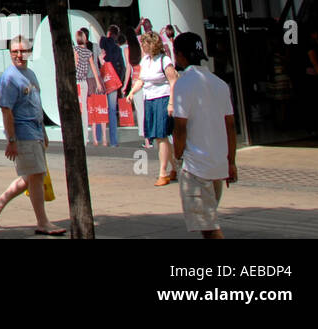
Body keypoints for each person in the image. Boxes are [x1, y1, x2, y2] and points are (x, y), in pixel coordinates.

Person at [0, 35, 66, 235]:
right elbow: (6, 110)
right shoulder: (10, 77)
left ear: (28, 52)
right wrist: (11, 140)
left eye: (22, 51)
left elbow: (35, 104)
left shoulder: (30, 74)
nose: (19, 55)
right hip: (23, 133)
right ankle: (42, 222)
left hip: (36, 131)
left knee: (31, 176)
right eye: (14, 51)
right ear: (9, 53)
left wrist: (44, 131)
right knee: (36, 176)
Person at [170, 32, 236, 239]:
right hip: (218, 164)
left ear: (180, 55)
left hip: (196, 166)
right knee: (208, 223)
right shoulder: (219, 84)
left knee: (208, 227)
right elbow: (231, 126)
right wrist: (231, 162)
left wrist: (178, 155)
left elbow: (180, 127)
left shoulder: (183, 83)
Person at [127, 31, 177, 185]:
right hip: (149, 100)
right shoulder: (145, 61)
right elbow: (141, 80)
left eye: (145, 43)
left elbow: (173, 80)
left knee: (162, 136)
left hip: (162, 99)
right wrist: (132, 92)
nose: (142, 46)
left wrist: (171, 103)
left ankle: (163, 172)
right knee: (157, 137)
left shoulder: (164, 60)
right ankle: (175, 166)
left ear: (151, 44)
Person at [97, 25, 127, 147]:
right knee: (112, 110)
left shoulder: (102, 45)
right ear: (115, 35)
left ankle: (99, 137)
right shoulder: (117, 49)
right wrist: (119, 80)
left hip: (101, 79)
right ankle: (113, 141)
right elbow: (123, 67)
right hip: (113, 81)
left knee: (100, 109)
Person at [73, 27, 104, 145]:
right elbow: (94, 68)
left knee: (77, 107)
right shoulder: (88, 52)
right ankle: (85, 137)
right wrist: (98, 82)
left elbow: (75, 65)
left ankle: (78, 135)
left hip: (77, 81)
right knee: (84, 109)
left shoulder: (75, 50)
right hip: (84, 82)